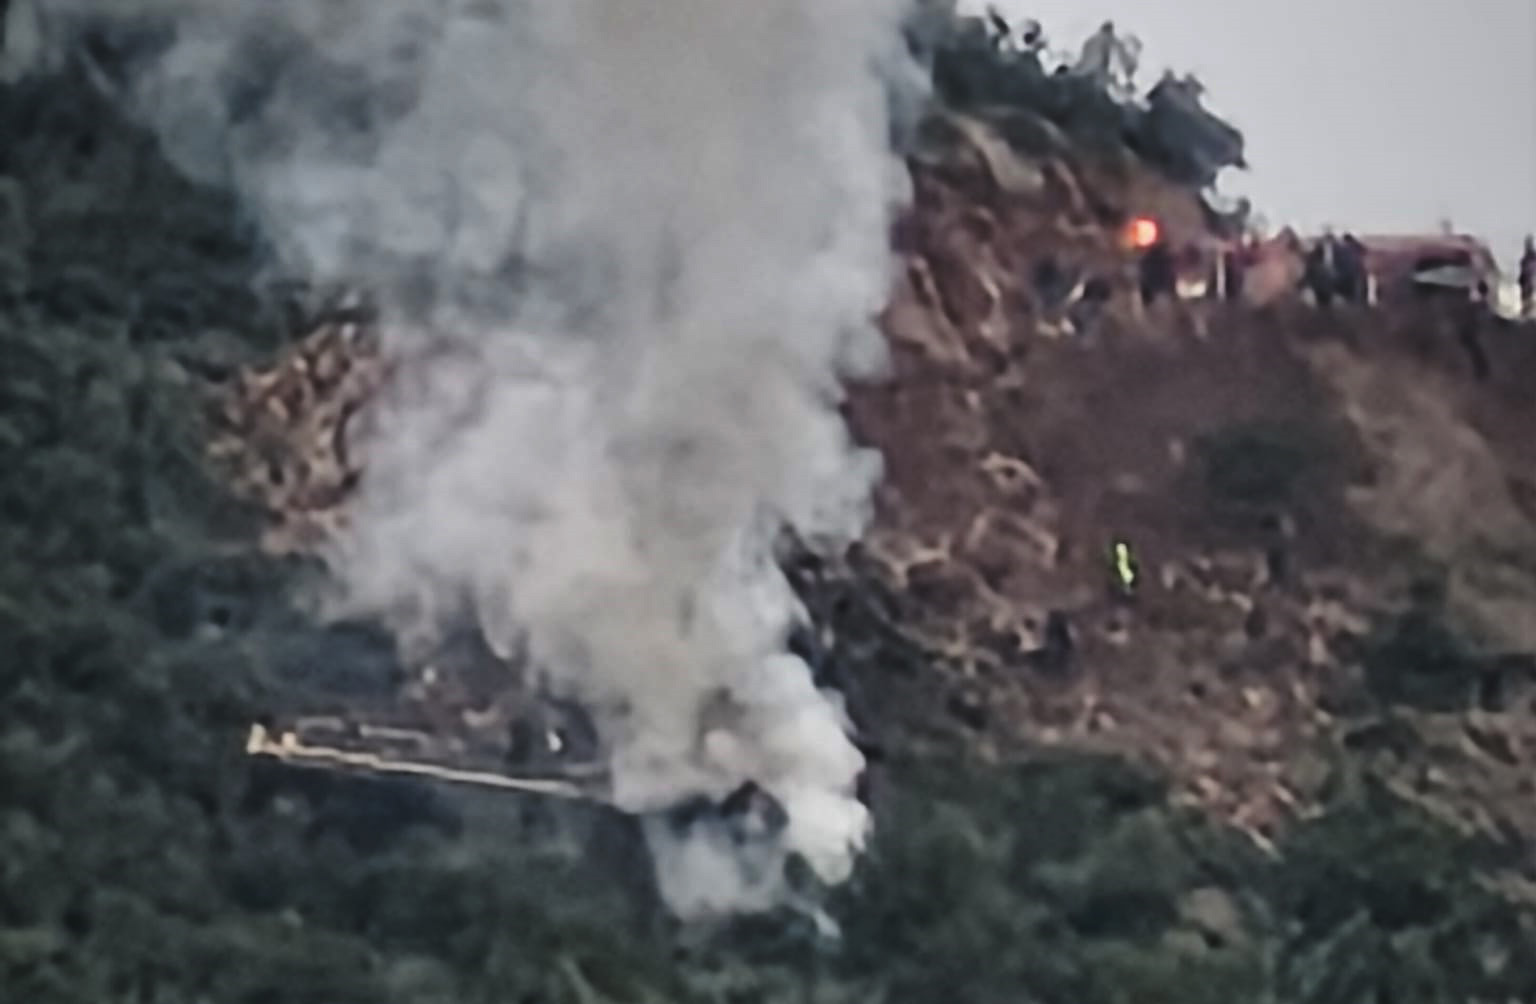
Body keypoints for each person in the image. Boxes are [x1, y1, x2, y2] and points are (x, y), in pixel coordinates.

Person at [1520, 235, 1535, 320]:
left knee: (1528, 302)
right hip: (1527, 284)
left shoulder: (1527, 259)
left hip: (1528, 284)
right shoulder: (1526, 259)